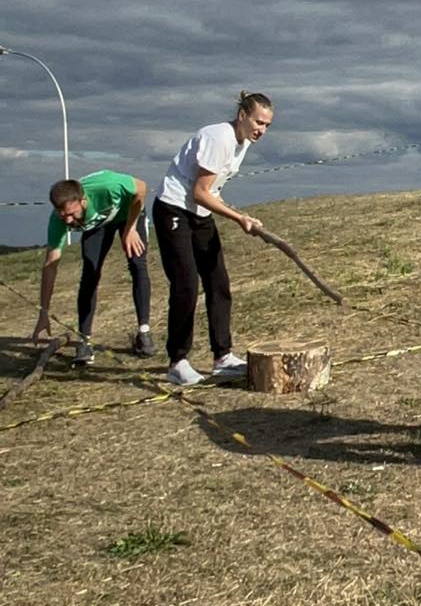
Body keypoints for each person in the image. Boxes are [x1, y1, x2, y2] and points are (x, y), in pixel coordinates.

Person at [152, 92, 273, 387]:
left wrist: (242, 215)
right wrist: (239, 219)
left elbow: (211, 192)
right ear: (242, 115)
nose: (262, 130)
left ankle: (223, 357)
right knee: (186, 284)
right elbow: (199, 192)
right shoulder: (219, 137)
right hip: (173, 208)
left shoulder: (243, 143)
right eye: (258, 122)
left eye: (267, 125)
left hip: (200, 213)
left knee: (218, 282)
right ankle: (177, 361)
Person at [31, 171, 154, 365]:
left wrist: (130, 229)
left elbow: (141, 188)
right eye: (63, 215)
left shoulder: (108, 185)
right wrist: (43, 313)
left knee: (137, 263)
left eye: (72, 214)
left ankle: (144, 332)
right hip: (98, 224)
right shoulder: (58, 221)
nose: (68, 221)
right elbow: (50, 266)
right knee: (90, 273)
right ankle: (84, 340)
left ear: (83, 201)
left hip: (128, 213)